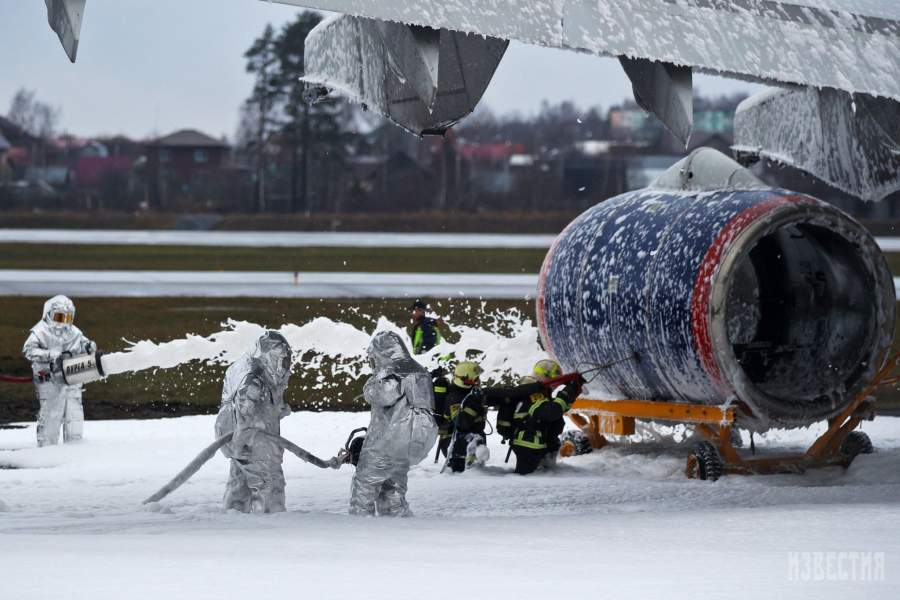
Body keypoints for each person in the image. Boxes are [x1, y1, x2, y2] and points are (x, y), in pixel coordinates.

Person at [350, 331, 437, 516]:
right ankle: (396, 524)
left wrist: (370, 384)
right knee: (394, 488)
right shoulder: (419, 370)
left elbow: (380, 395)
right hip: (406, 445)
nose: (372, 364)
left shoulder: (393, 372)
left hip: (386, 443)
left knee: (364, 485)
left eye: (373, 359)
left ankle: (358, 527)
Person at [215, 331, 293, 513]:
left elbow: (259, 405)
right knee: (268, 481)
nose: (285, 365)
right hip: (253, 441)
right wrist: (245, 441)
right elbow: (245, 409)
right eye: (283, 359)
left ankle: (234, 513)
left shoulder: (250, 368)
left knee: (240, 481)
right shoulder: (253, 378)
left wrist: (277, 410)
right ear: (270, 356)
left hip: (238, 438)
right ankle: (269, 519)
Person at [483, 359, 583, 475]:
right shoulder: (533, 393)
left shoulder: (535, 390)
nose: (555, 386)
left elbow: (557, 409)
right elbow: (550, 412)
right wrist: (567, 393)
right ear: (546, 377)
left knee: (537, 477)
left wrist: (571, 393)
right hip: (528, 445)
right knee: (527, 479)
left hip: (535, 444)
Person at [22, 295, 96, 447]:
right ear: (49, 314)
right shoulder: (40, 332)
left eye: (67, 318)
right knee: (51, 415)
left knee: (74, 415)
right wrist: (50, 354)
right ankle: (47, 449)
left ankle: (74, 447)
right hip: (50, 380)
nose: (63, 322)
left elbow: (85, 344)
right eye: (59, 317)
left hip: (72, 378)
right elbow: (28, 350)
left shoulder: (74, 333)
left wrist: (89, 346)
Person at [439, 361, 490, 472]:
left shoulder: (469, 393)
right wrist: (475, 403)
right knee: (463, 476)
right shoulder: (454, 397)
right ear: (466, 379)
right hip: (455, 443)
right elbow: (461, 424)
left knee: (476, 474)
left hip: (471, 440)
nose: (477, 381)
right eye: (475, 378)